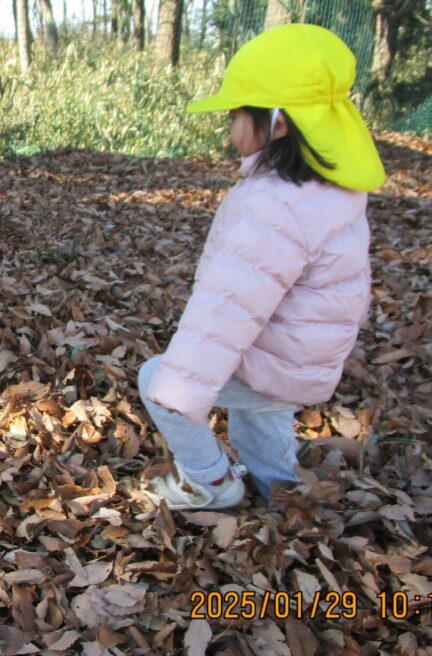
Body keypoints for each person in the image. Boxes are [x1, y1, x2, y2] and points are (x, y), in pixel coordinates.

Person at [138, 24, 385, 510]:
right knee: (262, 418)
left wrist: (180, 387)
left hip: (280, 357)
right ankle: (280, 493)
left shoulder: (274, 204)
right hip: (301, 354)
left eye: (235, 113)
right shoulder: (333, 185)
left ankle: (210, 483)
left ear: (278, 123)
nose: (229, 126)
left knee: (156, 379)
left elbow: (231, 303)